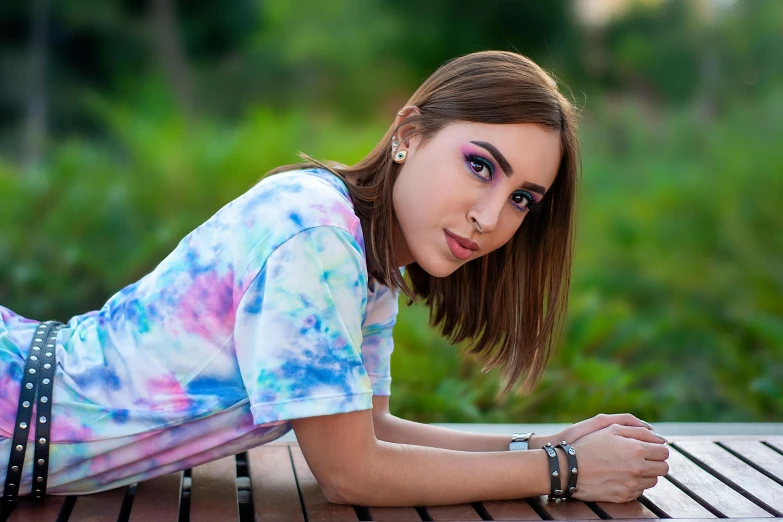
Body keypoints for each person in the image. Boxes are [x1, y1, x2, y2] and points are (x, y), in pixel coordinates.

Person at [0, 50, 668, 513]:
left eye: (523, 198)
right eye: (479, 166)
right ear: (408, 133)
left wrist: (544, 444)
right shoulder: (316, 234)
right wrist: (564, 474)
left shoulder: (366, 257)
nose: (490, 216)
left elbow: (368, 431)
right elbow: (350, 475)